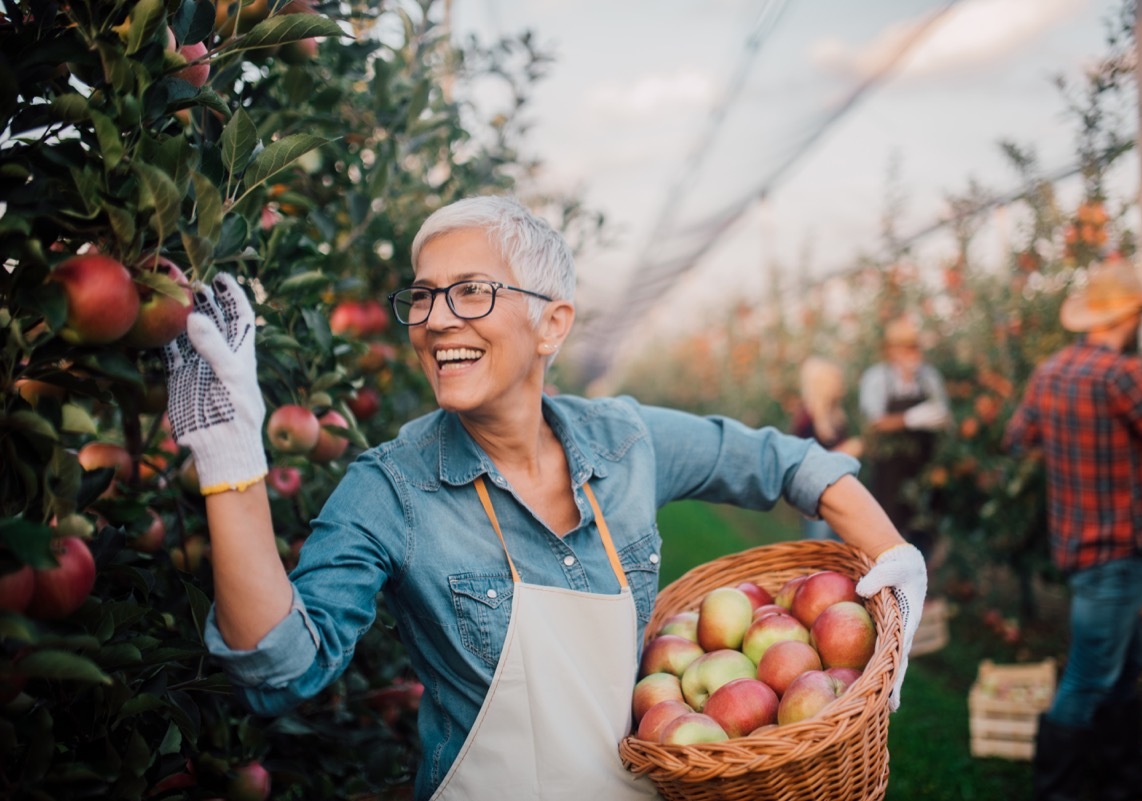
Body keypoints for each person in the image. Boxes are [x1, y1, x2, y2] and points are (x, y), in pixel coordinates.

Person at [164, 195, 928, 801]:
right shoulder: (393, 487)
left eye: (470, 292)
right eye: (424, 297)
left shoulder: (626, 443)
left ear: (551, 323)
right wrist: (232, 465)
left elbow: (788, 461)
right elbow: (281, 669)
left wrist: (892, 552)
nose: (435, 321)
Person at [1002, 257, 1142, 801]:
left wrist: (1069, 442)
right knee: (1089, 675)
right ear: (1131, 315)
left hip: (1076, 546)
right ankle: (1057, 791)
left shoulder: (1051, 372)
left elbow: (1016, 438)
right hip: (1116, 551)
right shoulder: (1121, 374)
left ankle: (1124, 780)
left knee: (1125, 662)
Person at [857, 315, 952, 560]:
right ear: (891, 351)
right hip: (890, 471)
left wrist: (940, 419)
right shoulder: (877, 379)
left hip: (923, 469)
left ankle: (924, 587)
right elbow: (874, 423)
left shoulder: (928, 377)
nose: (913, 353)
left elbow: (944, 414)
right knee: (890, 531)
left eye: (915, 347)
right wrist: (910, 419)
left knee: (924, 529)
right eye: (907, 347)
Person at [789, 356, 864, 540]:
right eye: (836, 380)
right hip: (817, 497)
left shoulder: (837, 417)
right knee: (820, 546)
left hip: (838, 494)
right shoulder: (807, 419)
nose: (841, 384)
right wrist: (843, 452)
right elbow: (803, 462)